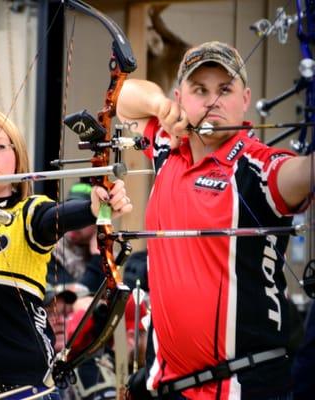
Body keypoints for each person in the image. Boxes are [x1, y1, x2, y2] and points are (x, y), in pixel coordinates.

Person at [116, 41, 314, 399]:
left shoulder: (259, 167)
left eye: (225, 89)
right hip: (166, 387)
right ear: (182, 97)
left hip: (244, 386)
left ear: (245, 98)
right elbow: (121, 97)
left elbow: (302, 172)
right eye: (200, 90)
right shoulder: (166, 145)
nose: (212, 100)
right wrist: (160, 107)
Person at [0, 107, 132, 400]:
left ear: (17, 159)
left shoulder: (28, 213)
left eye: (0, 146)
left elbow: (64, 215)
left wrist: (101, 207)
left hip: (19, 393)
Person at [47, 181, 105, 293]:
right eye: (72, 214)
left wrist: (100, 254)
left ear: (98, 223)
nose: (75, 223)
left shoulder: (108, 252)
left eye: (84, 216)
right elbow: (75, 295)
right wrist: (97, 258)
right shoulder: (52, 249)